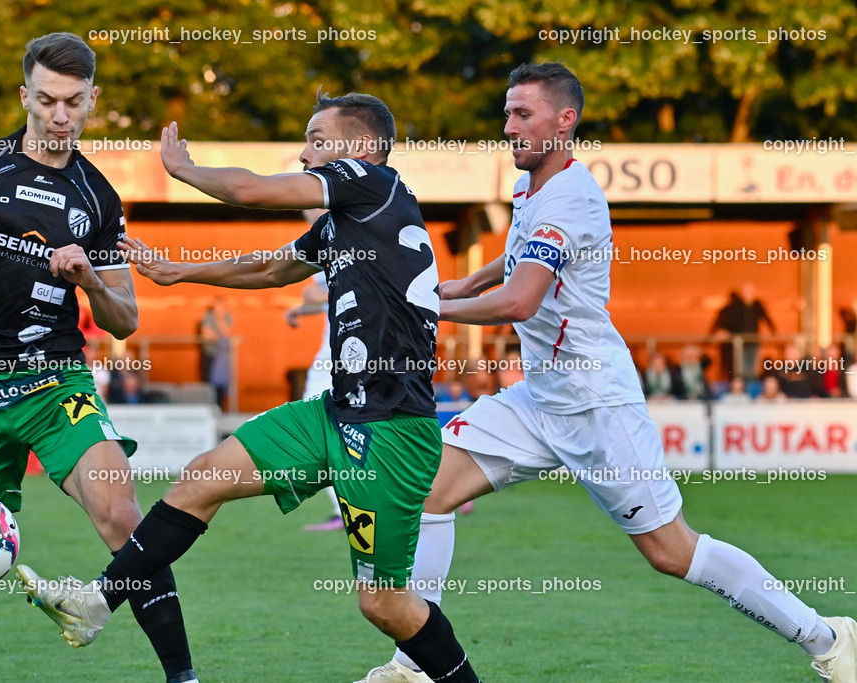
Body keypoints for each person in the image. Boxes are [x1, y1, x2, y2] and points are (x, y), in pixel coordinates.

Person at [357, 62, 855, 683]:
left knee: (672, 552)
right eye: (507, 113)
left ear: (565, 121)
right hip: (540, 399)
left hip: (596, 404)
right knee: (426, 493)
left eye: (522, 115)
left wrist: (422, 306)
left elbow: (519, 301)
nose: (508, 127)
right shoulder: (534, 187)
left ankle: (829, 638)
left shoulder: (569, 198)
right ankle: (417, 665)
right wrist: (433, 287)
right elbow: (503, 269)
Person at [19, 89, 481, 683]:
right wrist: (182, 269)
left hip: (391, 433)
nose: (305, 155)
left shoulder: (372, 184)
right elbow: (270, 268)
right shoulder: (348, 219)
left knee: (384, 604)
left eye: (318, 140)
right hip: (334, 415)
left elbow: (250, 190)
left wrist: (184, 170)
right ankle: (94, 605)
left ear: (364, 148)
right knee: (200, 479)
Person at [0, 32, 196, 683]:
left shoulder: (99, 198)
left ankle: (183, 676)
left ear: (92, 100)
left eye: (72, 102)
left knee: (122, 515)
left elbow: (125, 319)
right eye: (45, 101)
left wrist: (91, 279)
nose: (59, 115)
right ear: (24, 96)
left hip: (54, 379)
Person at [284, 237, 347, 532]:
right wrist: (302, 308)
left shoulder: (357, 237)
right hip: (333, 356)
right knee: (329, 433)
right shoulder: (321, 240)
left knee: (320, 429)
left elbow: (365, 287)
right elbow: (327, 300)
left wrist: (317, 297)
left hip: (353, 354)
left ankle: (440, 482)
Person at [711, 282, 776, 380]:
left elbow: (767, 318)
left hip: (753, 341)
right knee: (740, 366)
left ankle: (750, 383)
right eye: (746, 291)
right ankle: (743, 384)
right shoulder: (736, 307)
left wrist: (774, 331)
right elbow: (729, 321)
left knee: (752, 365)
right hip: (740, 342)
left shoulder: (757, 305)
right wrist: (723, 331)